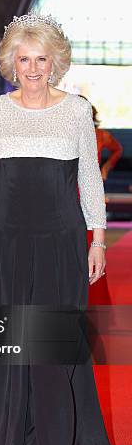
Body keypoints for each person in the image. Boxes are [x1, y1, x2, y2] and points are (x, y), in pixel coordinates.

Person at [0, 13, 131, 445]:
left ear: (56, 62)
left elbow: (89, 179)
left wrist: (98, 240)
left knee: (52, 343)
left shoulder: (75, 110)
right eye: (24, 58)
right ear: (12, 62)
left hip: (61, 240)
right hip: (6, 239)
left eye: (41, 59)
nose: (32, 68)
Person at [79, 97, 123, 305]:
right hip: (66, 191)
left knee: (90, 244)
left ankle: (95, 301)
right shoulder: (64, 133)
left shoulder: (101, 135)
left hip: (89, 190)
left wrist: (105, 168)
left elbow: (118, 150)